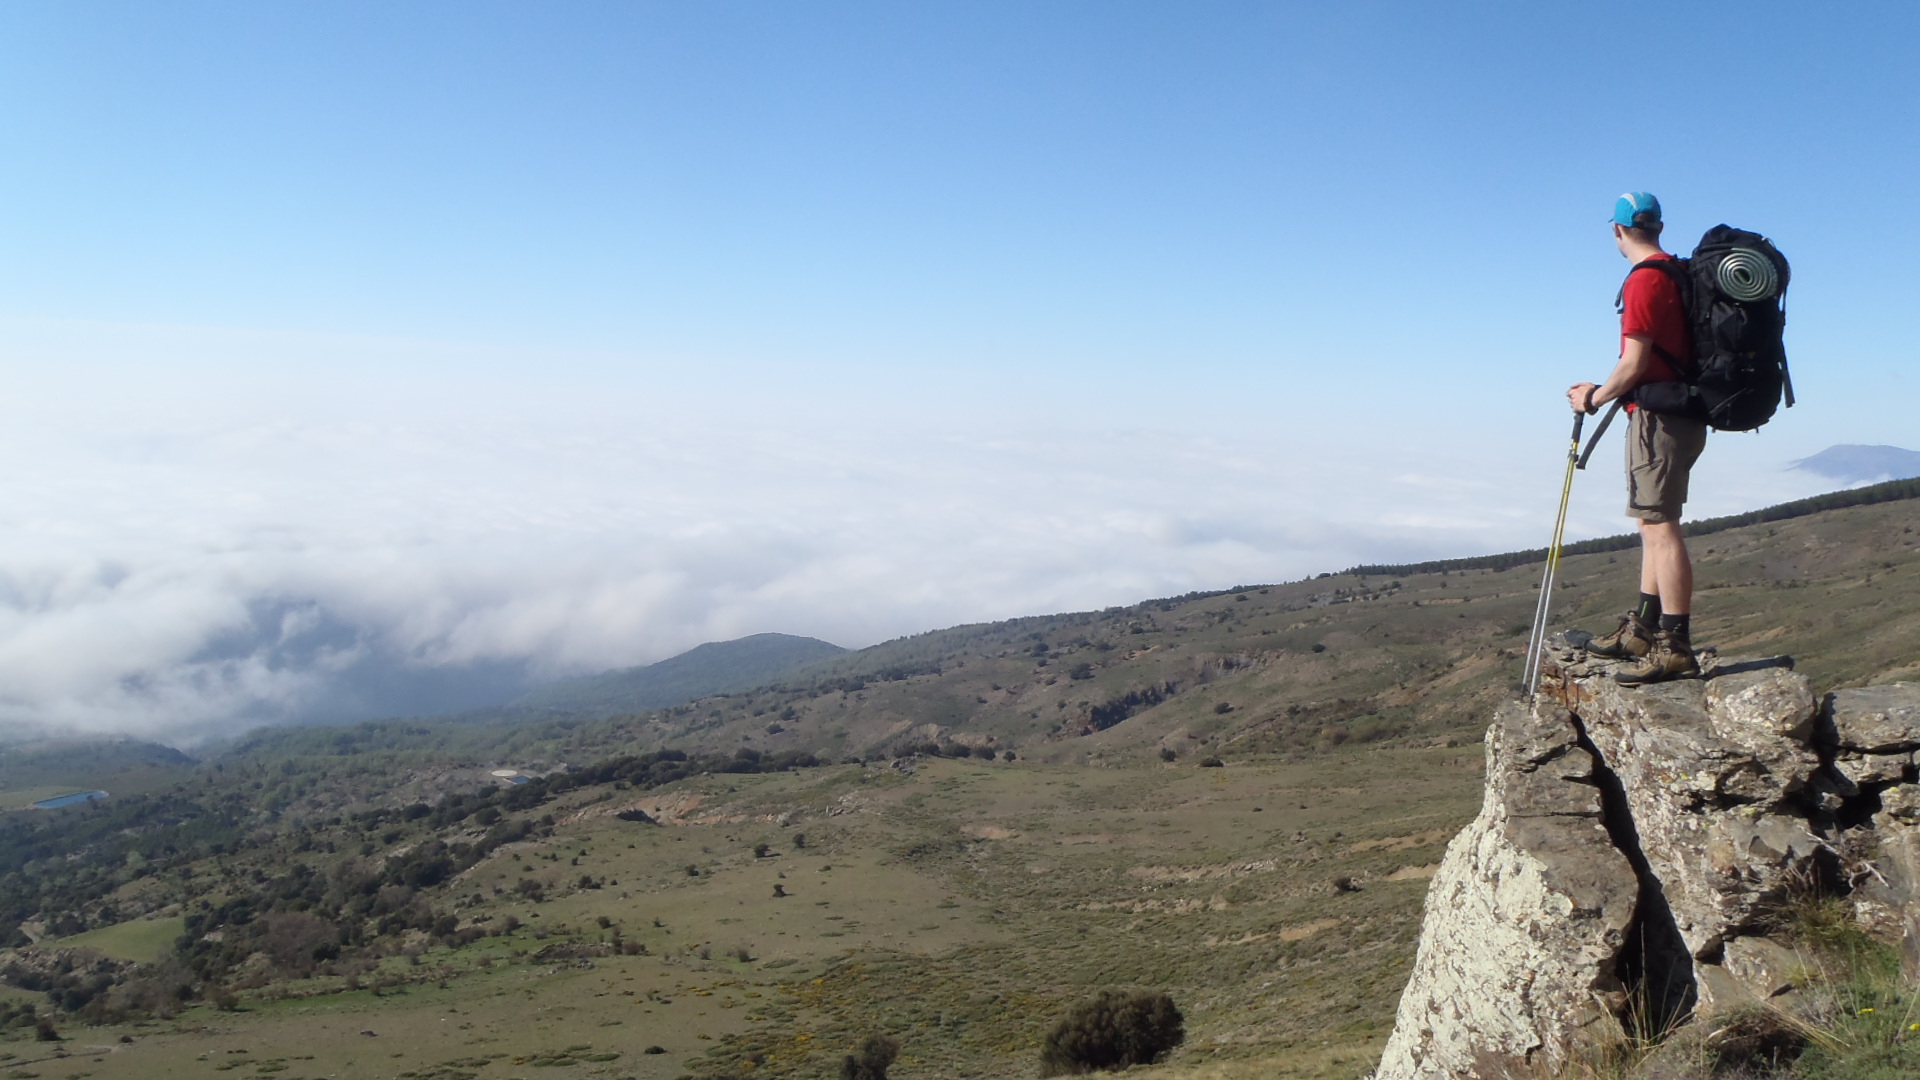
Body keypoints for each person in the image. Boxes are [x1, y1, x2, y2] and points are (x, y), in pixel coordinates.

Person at [1567, 192, 1707, 684]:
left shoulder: (1646, 281)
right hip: (1674, 414)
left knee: (1662, 527)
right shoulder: (1677, 273)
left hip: (1659, 419)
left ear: (1617, 230)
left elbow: (1634, 363)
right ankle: (1643, 631)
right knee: (1651, 523)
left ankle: (1676, 646)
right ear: (1660, 227)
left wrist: (1593, 397)